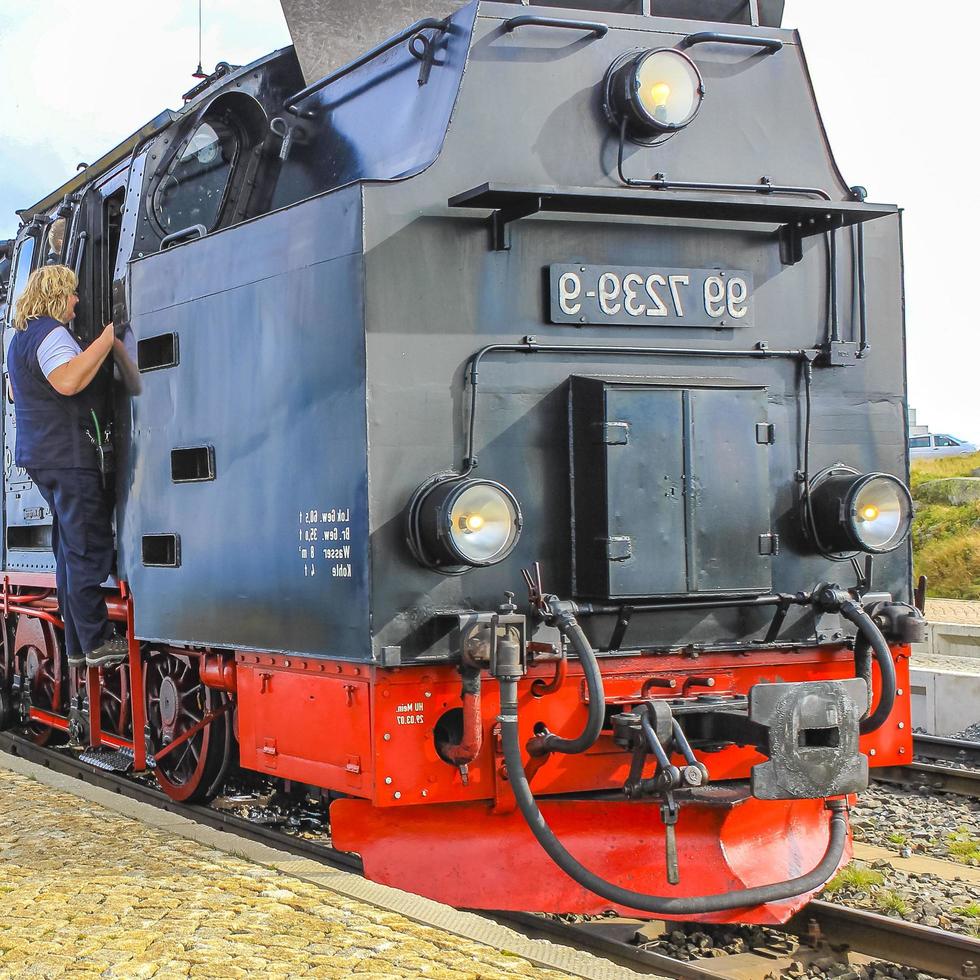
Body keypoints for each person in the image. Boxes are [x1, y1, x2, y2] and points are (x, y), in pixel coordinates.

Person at [7, 265, 137, 668]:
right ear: (57, 294)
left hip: (42, 457)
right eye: (73, 294)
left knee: (66, 549)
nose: (77, 301)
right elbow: (67, 381)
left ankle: (79, 646)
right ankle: (97, 641)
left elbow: (15, 392)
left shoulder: (18, 340)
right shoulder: (50, 333)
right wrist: (107, 337)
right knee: (86, 547)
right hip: (68, 456)